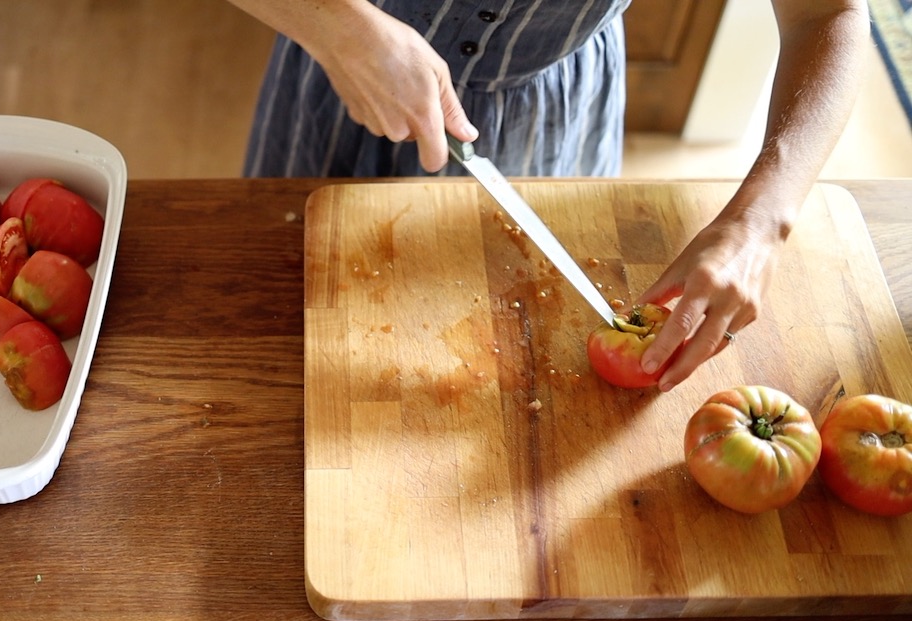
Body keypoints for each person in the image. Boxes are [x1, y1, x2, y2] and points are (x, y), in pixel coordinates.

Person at [227, 0, 869, 392]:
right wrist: (339, 24)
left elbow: (830, 13)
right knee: (280, 345)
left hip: (552, 109)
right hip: (348, 73)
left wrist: (764, 219)